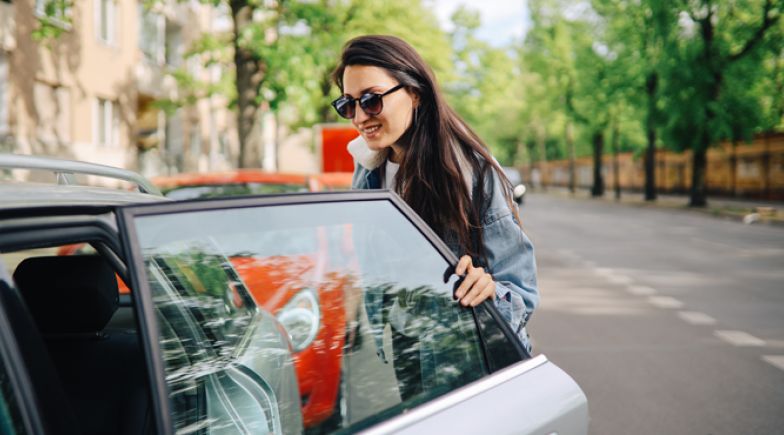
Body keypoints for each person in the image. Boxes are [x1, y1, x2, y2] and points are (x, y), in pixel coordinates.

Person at [331, 35, 539, 359]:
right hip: (407, 351)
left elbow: (520, 295)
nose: (359, 117)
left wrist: (489, 290)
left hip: (466, 356)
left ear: (413, 93)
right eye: (348, 104)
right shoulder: (367, 172)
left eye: (371, 100)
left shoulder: (471, 172)